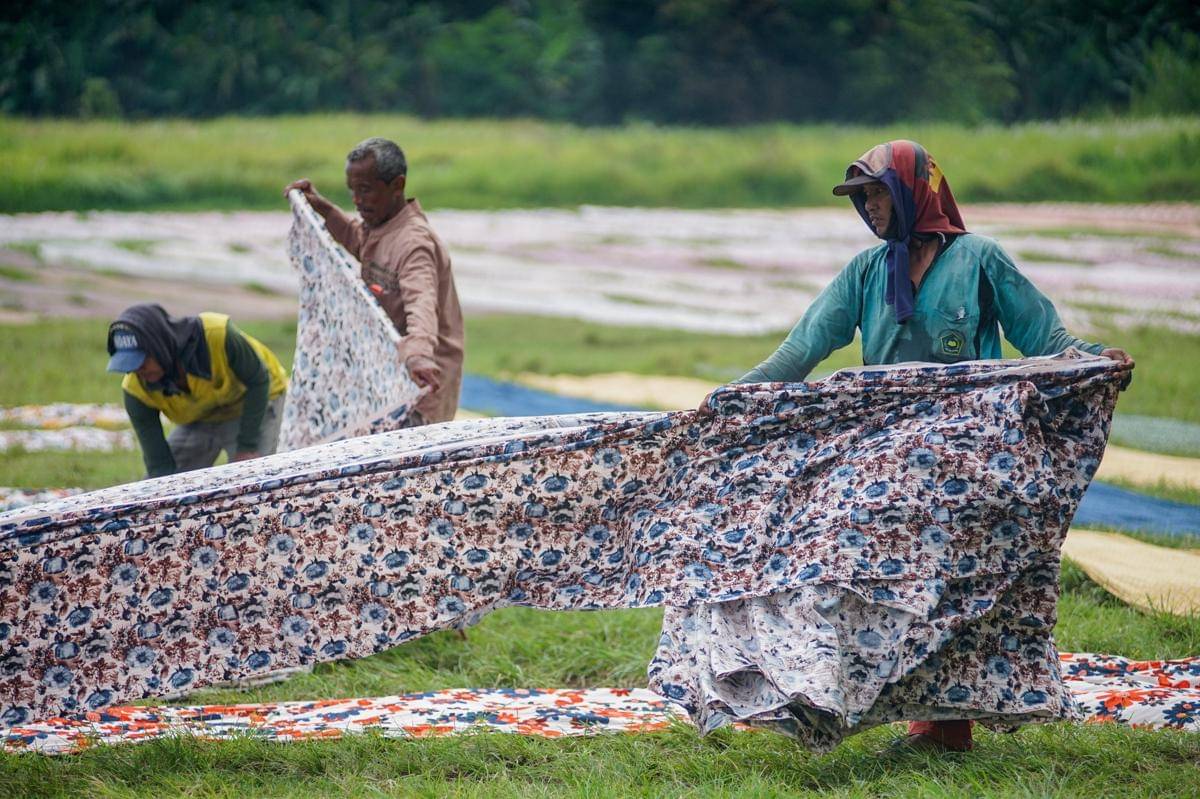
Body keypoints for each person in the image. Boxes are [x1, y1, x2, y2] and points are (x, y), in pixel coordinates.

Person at [740, 140, 1133, 752]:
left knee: (953, 584)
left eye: (877, 194)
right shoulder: (867, 271)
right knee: (838, 552)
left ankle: (944, 727)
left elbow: (1044, 337)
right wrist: (733, 398)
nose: (869, 208)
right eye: (862, 199)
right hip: (889, 451)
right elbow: (802, 351)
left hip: (969, 448)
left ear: (911, 193)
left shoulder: (979, 259)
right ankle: (841, 697)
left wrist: (1095, 362)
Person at [285, 137, 464, 426]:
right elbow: (360, 242)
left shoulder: (413, 244)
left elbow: (422, 302)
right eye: (352, 191)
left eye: (365, 190)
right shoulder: (379, 227)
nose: (357, 200)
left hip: (420, 391)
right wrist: (324, 210)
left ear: (397, 185)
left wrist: (418, 355)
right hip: (386, 384)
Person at [107, 303, 289, 478]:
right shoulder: (136, 391)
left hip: (255, 400)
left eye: (142, 362)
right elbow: (159, 466)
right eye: (131, 366)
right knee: (159, 487)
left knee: (253, 480)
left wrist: (247, 447)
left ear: (159, 346)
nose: (139, 371)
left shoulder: (217, 335)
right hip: (203, 416)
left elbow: (258, 381)